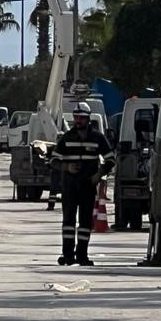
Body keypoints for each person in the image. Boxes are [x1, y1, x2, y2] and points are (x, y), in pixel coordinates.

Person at [53, 102, 112, 267]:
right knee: (68, 222)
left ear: (88, 119)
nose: (78, 121)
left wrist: (99, 174)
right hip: (70, 186)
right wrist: (67, 167)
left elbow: (110, 159)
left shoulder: (97, 138)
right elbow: (54, 160)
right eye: (76, 117)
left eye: (81, 118)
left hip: (87, 186)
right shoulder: (67, 137)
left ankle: (82, 255)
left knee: (85, 223)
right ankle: (67, 255)